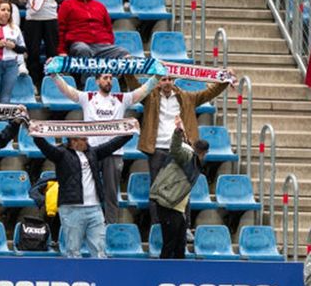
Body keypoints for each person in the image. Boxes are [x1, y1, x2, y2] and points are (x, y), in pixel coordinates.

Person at [50, 72, 157, 224]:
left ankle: (110, 225)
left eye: (111, 79)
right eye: (105, 78)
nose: (108, 81)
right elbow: (67, 90)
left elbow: (142, 92)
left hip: (114, 153)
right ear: (97, 81)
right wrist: (55, 76)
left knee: (111, 193)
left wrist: (156, 78)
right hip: (91, 152)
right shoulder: (88, 98)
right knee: (86, 189)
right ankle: (88, 223)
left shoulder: (121, 99)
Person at [136, 71, 230, 223]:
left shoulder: (187, 97)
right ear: (158, 82)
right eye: (163, 79)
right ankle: (157, 226)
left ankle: (184, 227)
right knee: (156, 191)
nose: (167, 82)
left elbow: (209, 93)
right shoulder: (149, 96)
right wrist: (128, 69)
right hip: (158, 149)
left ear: (174, 81)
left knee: (183, 190)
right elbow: (134, 86)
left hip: (182, 149)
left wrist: (225, 81)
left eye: (170, 79)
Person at [31, 129, 132, 258]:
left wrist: (129, 133)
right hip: (72, 209)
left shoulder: (92, 152)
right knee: (73, 252)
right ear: (73, 141)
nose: (87, 142)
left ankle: (99, 277)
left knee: (100, 252)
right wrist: (36, 136)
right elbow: (46, 148)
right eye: (83, 139)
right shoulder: (61, 154)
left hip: (95, 208)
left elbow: (112, 145)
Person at [150, 120, 209, 259]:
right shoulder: (187, 156)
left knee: (180, 246)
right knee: (169, 244)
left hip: (178, 208)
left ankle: (178, 276)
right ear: (204, 152)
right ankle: (163, 274)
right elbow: (175, 148)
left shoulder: (196, 163)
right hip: (168, 205)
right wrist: (177, 132)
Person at [17, 0, 66, 87]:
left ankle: (53, 84)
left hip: (50, 17)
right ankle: (34, 84)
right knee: (33, 54)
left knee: (52, 52)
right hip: (33, 18)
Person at [57, 0, 129, 59]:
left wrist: (108, 42)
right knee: (83, 49)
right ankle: (93, 72)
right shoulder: (67, 4)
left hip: (101, 45)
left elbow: (108, 28)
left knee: (123, 53)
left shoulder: (100, 6)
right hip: (79, 44)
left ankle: (107, 71)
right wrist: (61, 51)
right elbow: (61, 29)